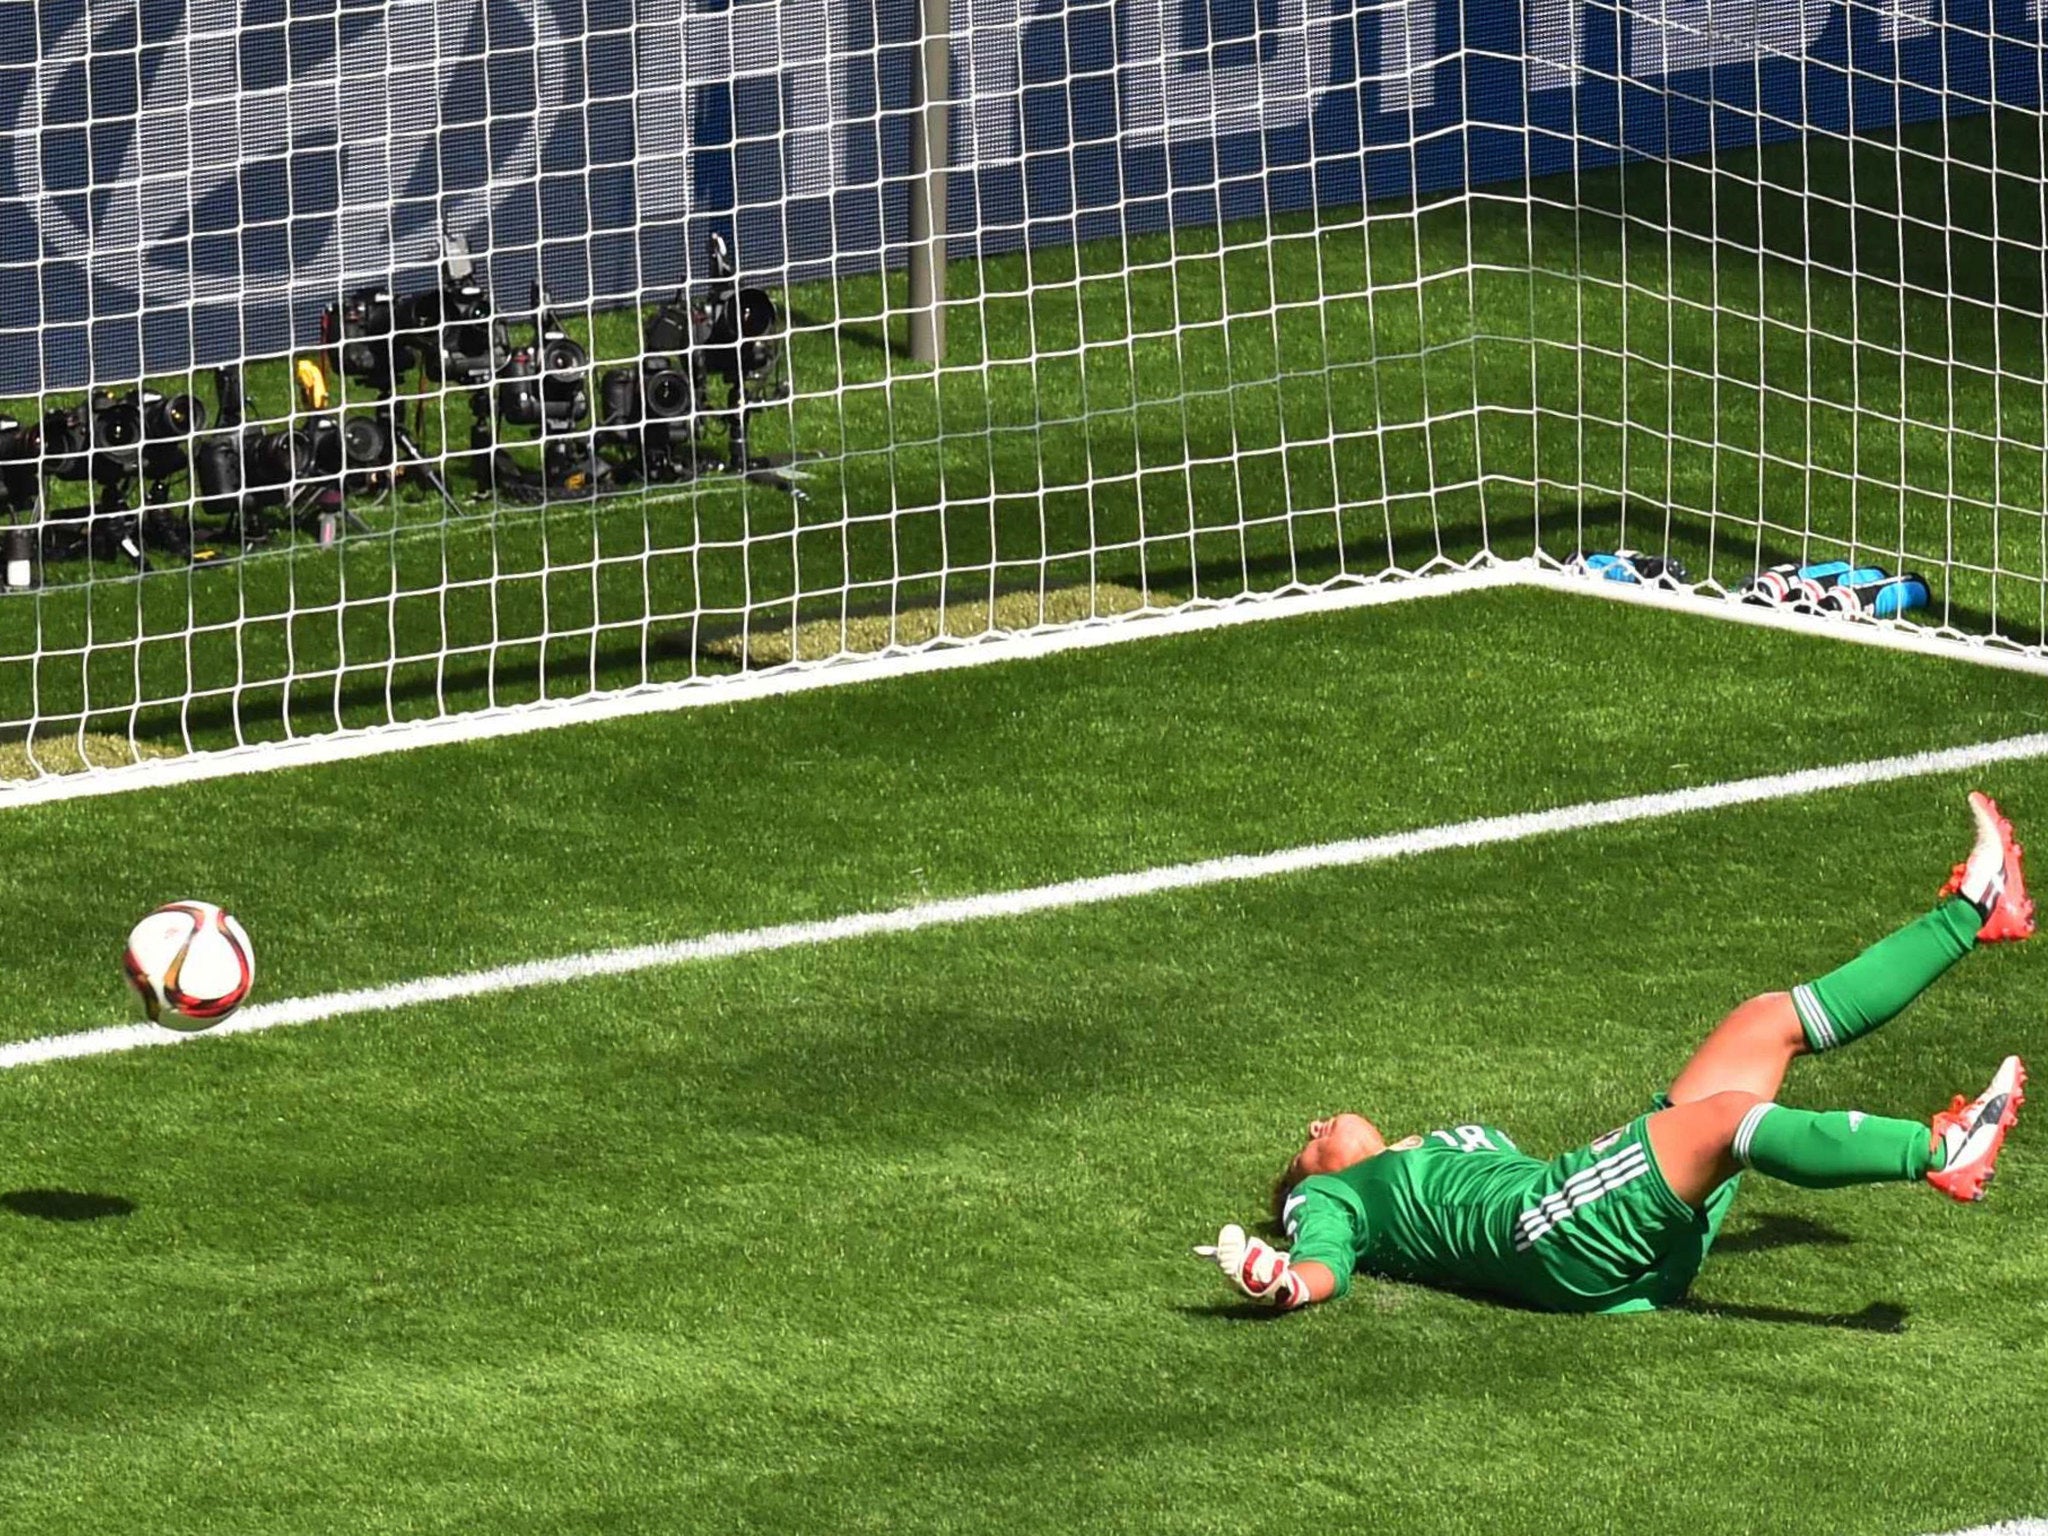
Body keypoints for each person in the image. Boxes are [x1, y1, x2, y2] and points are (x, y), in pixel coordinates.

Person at [1195, 791, 2032, 1314]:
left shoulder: (1437, 1148)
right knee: (1732, 1119)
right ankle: (1936, 1151)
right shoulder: (1335, 1203)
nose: (1315, 1125)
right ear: (1312, 1180)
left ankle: (1974, 909)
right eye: (1305, 1144)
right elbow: (1319, 1266)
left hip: (1594, 1225)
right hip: (1553, 1231)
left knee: (1765, 1021)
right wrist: (1284, 1278)